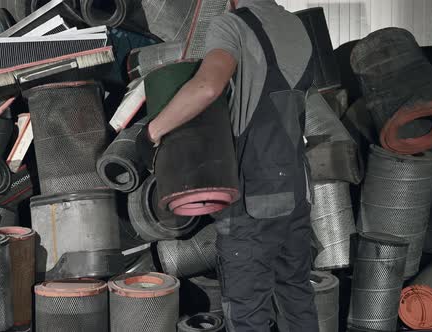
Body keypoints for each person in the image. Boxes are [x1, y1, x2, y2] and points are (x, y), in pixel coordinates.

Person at [136, 0, 319, 331]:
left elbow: (207, 87)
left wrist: (152, 132)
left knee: (248, 312)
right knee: (296, 299)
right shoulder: (297, 27)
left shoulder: (233, 25)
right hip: (296, 190)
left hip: (254, 197)